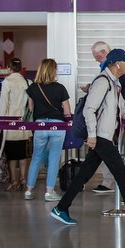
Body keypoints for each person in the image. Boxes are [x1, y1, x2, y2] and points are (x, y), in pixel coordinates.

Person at [51, 49, 125, 226]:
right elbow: (89, 110)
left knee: (84, 175)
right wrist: (92, 135)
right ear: (117, 64)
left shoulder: (114, 85)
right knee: (122, 174)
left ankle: (61, 208)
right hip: (101, 138)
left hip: (104, 137)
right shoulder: (102, 82)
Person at [84, 40, 125, 194]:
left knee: (110, 156)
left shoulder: (113, 73)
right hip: (107, 123)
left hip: (112, 121)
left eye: (97, 56)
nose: (96, 59)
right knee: (100, 158)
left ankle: (109, 182)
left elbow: (117, 97)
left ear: (104, 53)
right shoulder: (107, 74)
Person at [24, 58, 71, 201]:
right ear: (53, 70)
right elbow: (67, 111)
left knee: (36, 157)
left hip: (40, 126)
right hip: (58, 126)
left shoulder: (33, 88)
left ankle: (28, 190)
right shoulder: (60, 88)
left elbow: (31, 108)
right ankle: (49, 192)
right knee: (54, 158)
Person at [0, 58, 31, 191]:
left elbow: (3, 103)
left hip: (9, 121)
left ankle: (14, 180)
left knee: (11, 155)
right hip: (23, 121)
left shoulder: (7, 82)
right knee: (22, 153)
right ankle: (23, 178)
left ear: (9, 68)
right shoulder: (27, 82)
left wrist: (0, 122)